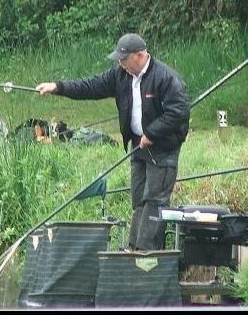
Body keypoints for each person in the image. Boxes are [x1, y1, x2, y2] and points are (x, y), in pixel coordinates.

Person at [36, 33, 190, 250]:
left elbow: (180, 112)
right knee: (139, 200)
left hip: (163, 148)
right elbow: (90, 86)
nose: (120, 63)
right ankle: (134, 249)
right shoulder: (121, 75)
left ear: (140, 55)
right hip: (138, 146)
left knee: (154, 201)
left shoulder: (165, 77)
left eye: (124, 59)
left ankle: (147, 255)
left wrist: (153, 133)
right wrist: (58, 87)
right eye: (119, 60)